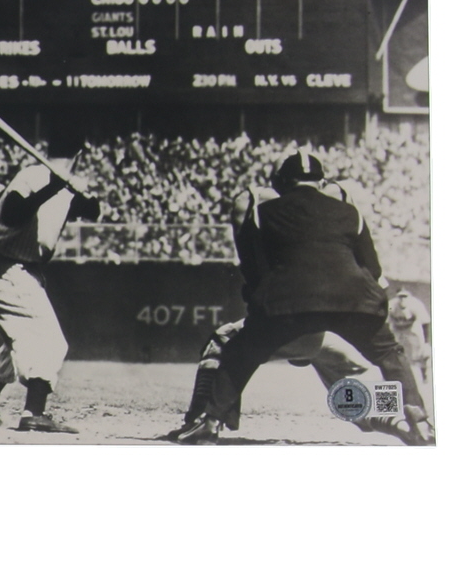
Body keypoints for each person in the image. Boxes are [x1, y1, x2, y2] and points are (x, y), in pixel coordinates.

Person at [168, 150, 434, 446]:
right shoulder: (350, 208)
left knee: (231, 349)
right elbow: (373, 270)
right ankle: (411, 420)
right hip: (350, 311)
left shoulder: (258, 206)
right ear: (322, 182)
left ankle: (206, 421)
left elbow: (254, 272)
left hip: (289, 309)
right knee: (386, 358)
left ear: (280, 182)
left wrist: (262, 314)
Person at [168, 179, 369, 439]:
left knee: (222, 342)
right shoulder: (343, 237)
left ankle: (202, 421)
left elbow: (250, 202)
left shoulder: (285, 234)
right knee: (368, 381)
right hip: (334, 329)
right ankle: (399, 421)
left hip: (289, 323)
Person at [0, 148, 100, 433]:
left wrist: (84, 199)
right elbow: (12, 214)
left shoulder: (68, 185)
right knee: (50, 342)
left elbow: (92, 212)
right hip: (7, 266)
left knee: (19, 342)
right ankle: (34, 413)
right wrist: (52, 187)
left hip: (17, 269)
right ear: (78, 153)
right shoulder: (33, 176)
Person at [388, 287, 432, 383]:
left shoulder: (416, 304)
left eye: (405, 296)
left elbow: (425, 322)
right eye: (400, 296)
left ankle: (424, 375)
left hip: (411, 329)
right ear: (397, 297)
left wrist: (426, 342)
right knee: (391, 351)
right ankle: (393, 376)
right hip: (397, 329)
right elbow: (386, 322)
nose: (403, 299)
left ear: (409, 296)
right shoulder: (391, 305)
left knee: (421, 352)